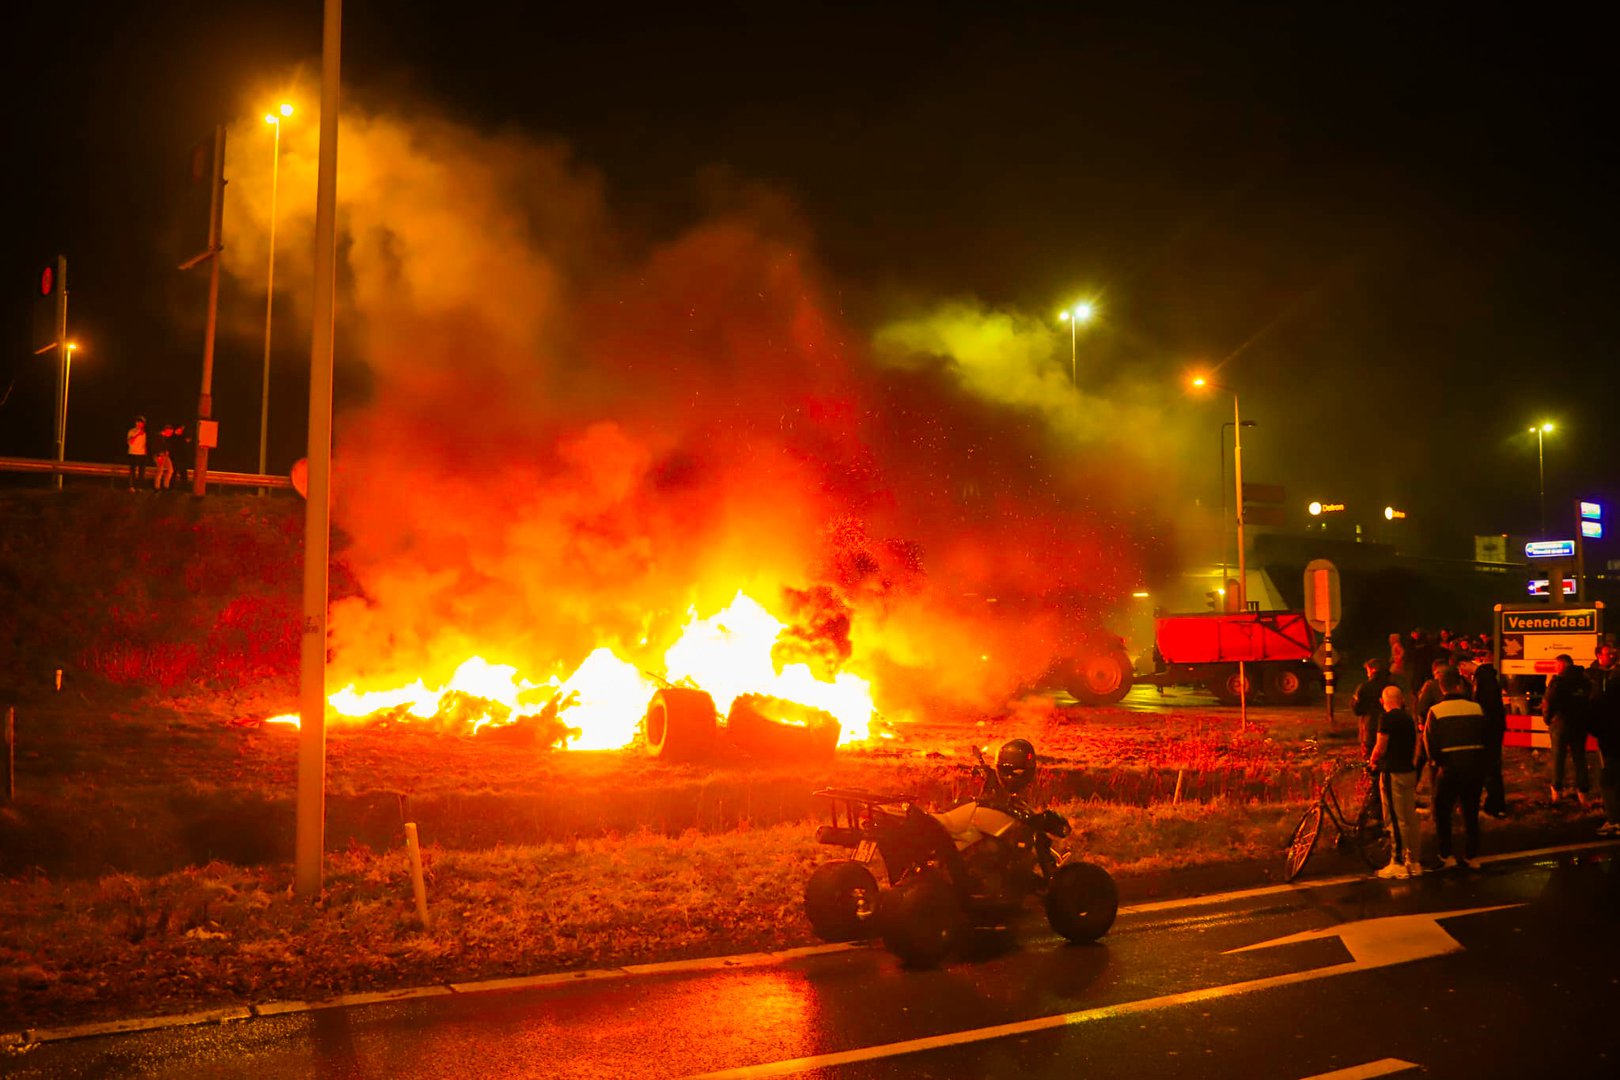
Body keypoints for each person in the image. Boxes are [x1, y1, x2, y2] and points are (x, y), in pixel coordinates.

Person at [1419, 668, 1489, 870]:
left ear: (1442, 689)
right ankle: (1471, 855)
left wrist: (1437, 763)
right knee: (1471, 812)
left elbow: (1429, 743)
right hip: (1473, 767)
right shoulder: (1476, 708)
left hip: (1448, 769)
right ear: (1459, 686)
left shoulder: (1436, 712)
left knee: (1443, 813)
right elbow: (1485, 736)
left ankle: (1446, 854)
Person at [1369, 685, 1423, 878]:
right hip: (1409, 771)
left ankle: (1398, 863)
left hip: (1393, 772)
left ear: (1384, 701)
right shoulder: (1409, 719)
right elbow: (1417, 744)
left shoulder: (1387, 718)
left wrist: (1373, 760)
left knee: (1394, 818)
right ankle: (1414, 861)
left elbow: (1381, 746)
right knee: (1410, 817)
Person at [1543, 653, 1592, 806]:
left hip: (1561, 724)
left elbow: (1548, 702)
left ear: (1563, 664)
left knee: (1558, 758)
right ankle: (1583, 793)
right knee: (1580, 758)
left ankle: (1556, 792)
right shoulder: (1585, 681)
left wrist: (1548, 719)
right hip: (1580, 724)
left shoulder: (1558, 682)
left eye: (1556, 665)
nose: (1555, 668)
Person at [1586, 645, 1620, 837]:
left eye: (1615, 653)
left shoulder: (1614, 680)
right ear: (1599, 655)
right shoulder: (1592, 676)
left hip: (1611, 737)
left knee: (1608, 779)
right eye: (1610, 653)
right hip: (1606, 735)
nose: (1613, 656)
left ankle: (1614, 820)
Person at [1471, 649, 1508, 817]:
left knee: (1489, 769)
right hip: (1495, 730)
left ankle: (1494, 805)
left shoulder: (1483, 680)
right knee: (1493, 768)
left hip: (1487, 731)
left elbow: (1482, 707)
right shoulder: (1491, 680)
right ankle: (1495, 803)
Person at [1352, 658, 1393, 759]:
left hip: (1370, 727)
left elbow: (1357, 709)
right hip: (1390, 727)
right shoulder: (1393, 686)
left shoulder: (1365, 687)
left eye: (1368, 671)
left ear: (1373, 670)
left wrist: (1354, 701)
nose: (1367, 674)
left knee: (1370, 757)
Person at [125, 416, 148, 489]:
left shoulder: (145, 432)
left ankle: (139, 487)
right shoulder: (132, 431)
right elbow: (130, 442)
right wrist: (137, 434)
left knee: (142, 472)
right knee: (132, 471)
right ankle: (131, 486)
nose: (139, 424)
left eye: (141, 423)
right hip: (133, 453)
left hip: (142, 454)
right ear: (136, 423)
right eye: (138, 422)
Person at [151, 424, 174, 491]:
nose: (170, 434)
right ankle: (157, 486)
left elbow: (165, 446)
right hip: (159, 455)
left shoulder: (166, 438)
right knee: (160, 470)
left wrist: (166, 451)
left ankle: (166, 485)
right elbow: (154, 447)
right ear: (166, 430)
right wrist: (158, 456)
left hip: (165, 455)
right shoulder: (157, 436)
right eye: (170, 432)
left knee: (170, 469)